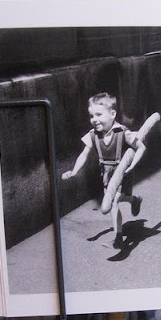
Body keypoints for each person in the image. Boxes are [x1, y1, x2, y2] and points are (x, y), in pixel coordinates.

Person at [62, 92, 146, 249]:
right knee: (118, 200)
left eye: (99, 114)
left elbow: (141, 147)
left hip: (123, 172)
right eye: (91, 115)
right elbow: (84, 154)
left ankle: (118, 238)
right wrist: (74, 171)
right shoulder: (93, 135)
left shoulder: (122, 132)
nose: (94, 119)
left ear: (112, 114)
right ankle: (134, 200)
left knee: (114, 202)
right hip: (106, 174)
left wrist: (132, 165)